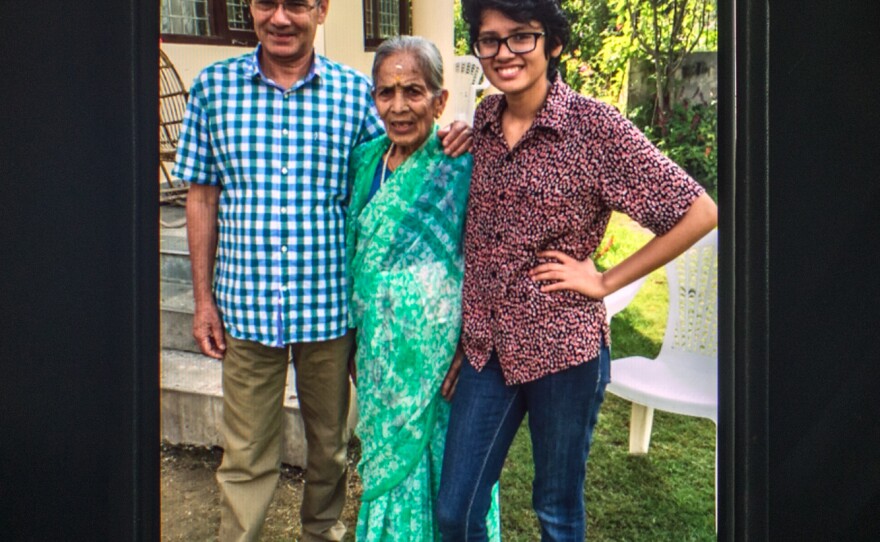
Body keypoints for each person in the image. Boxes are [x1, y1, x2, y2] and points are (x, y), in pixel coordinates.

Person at [172, 1, 472, 540]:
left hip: (331, 313)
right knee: (245, 454)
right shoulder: (213, 89)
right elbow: (201, 196)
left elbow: (398, 159)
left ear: (322, 10)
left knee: (330, 448)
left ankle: (323, 535)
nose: (281, 18)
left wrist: (455, 133)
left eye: (298, 4)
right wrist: (202, 300)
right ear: (250, 7)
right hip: (247, 305)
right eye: (267, 2)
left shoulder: (355, 92)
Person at [435, 0, 719, 540]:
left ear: (554, 44)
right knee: (456, 508)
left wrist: (606, 281)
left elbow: (699, 211)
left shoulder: (595, 129)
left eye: (521, 37)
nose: (503, 52)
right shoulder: (485, 122)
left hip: (564, 349)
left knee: (557, 511)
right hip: (487, 349)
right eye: (489, 39)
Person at [345, 36, 501, 541]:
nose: (398, 106)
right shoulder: (365, 161)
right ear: (373, 100)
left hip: (443, 361)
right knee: (387, 467)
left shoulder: (463, 164)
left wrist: (468, 342)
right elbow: (360, 255)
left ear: (440, 100)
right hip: (377, 356)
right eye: (385, 92)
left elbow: (487, 260)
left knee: (446, 476)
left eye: (413, 91)